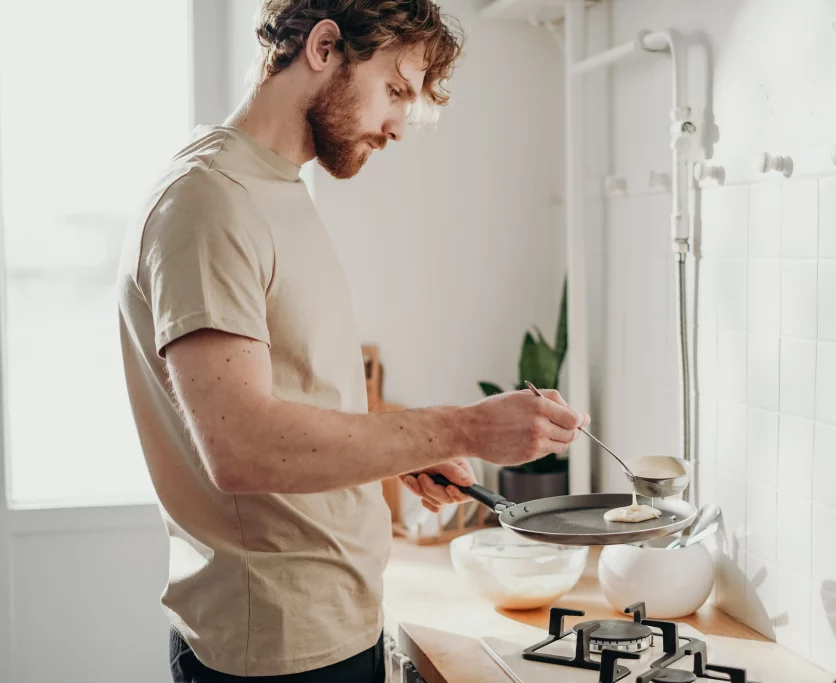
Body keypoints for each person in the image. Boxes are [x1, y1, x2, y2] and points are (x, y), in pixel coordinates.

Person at [115, 2, 589, 681]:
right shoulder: (209, 201)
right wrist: (463, 427)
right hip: (275, 650)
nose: (399, 124)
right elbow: (241, 447)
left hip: (330, 626)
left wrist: (400, 454)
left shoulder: (273, 189)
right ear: (324, 47)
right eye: (394, 89)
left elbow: (291, 399)